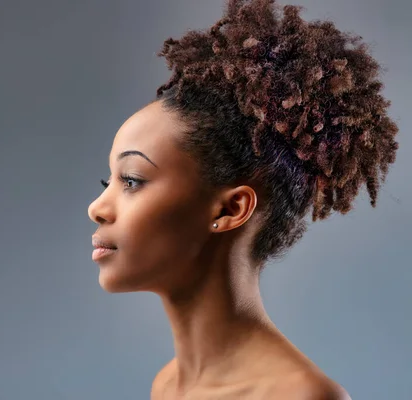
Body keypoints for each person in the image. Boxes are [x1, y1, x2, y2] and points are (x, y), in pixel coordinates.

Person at [87, 0, 399, 398]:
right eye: (107, 181)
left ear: (231, 209)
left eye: (131, 181)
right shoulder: (167, 386)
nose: (97, 208)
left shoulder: (301, 397)